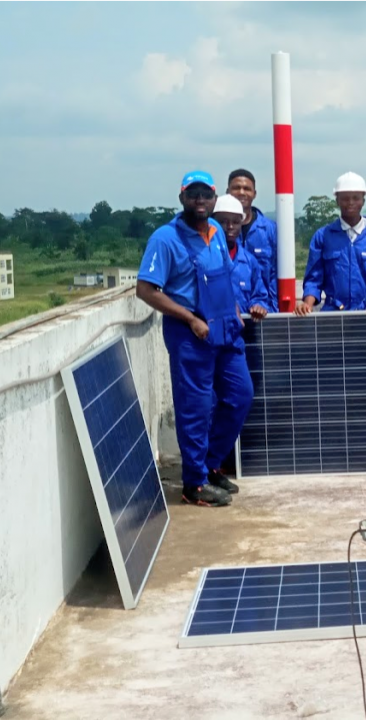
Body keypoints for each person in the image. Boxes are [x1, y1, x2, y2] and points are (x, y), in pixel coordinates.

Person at [136, 170, 254, 507]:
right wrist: (189, 319)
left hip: (223, 327)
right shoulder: (165, 238)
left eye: (205, 195)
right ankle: (194, 484)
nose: (199, 200)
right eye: (193, 194)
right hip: (189, 333)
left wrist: (233, 310)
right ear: (182, 198)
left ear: (214, 198)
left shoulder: (216, 231)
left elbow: (223, 276)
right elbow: (145, 289)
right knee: (196, 407)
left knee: (240, 395)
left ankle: (210, 464)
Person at [295, 171, 366, 315]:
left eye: (356, 198)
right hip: (333, 316)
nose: (350, 203)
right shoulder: (323, 237)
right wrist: (307, 304)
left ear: (363, 200)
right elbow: (313, 279)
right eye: (345, 198)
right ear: (337, 201)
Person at [226, 168, 281, 312]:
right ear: (227, 191)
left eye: (247, 189)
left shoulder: (270, 230)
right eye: (236, 188)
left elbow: (276, 274)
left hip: (263, 312)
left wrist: (272, 310)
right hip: (229, 313)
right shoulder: (217, 230)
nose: (241, 192)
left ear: (254, 194)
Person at [212, 194, 270, 321]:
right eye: (223, 222)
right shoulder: (204, 258)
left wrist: (258, 306)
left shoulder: (249, 262)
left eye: (235, 222)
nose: (230, 227)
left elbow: (259, 295)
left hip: (242, 329)